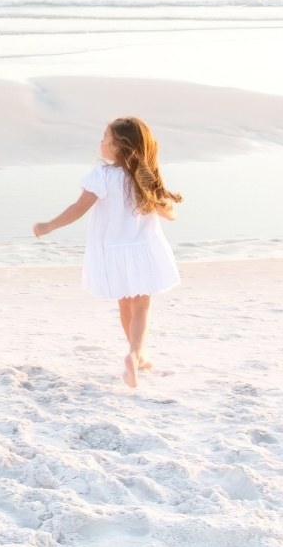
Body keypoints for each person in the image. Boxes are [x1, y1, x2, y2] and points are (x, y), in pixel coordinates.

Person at [33, 117, 181, 388]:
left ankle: (136, 355)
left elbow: (78, 208)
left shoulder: (101, 176)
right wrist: (166, 209)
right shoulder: (143, 176)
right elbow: (167, 212)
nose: (101, 142)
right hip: (142, 250)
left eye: (105, 138)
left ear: (119, 146)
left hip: (113, 252)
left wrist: (50, 225)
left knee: (125, 303)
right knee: (141, 304)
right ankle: (136, 354)